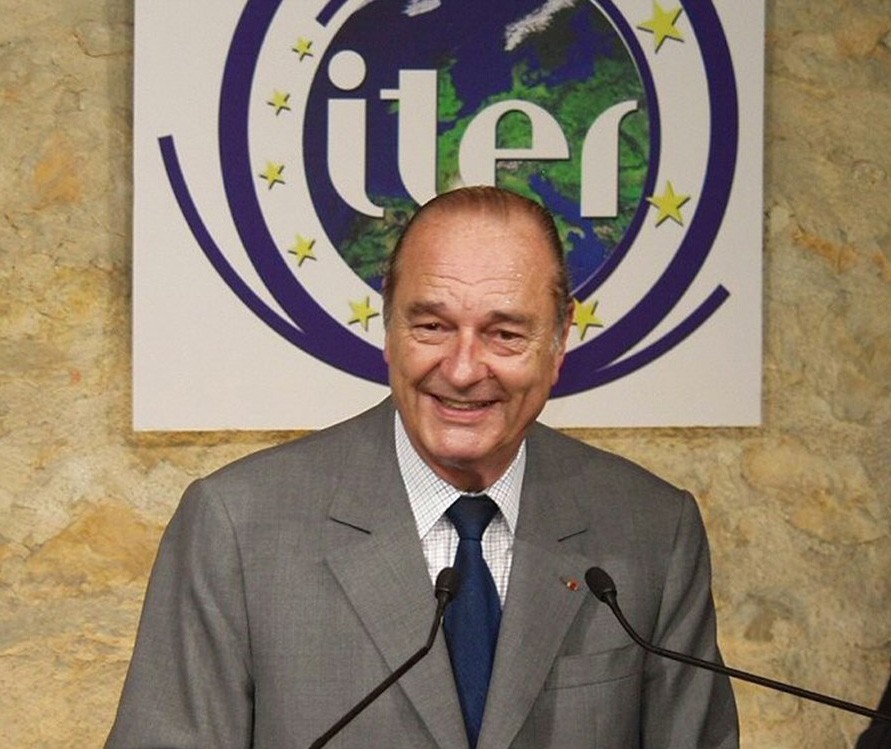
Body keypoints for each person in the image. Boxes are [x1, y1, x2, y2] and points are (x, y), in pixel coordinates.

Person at [106, 186, 738, 748]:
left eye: (505, 334)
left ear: (559, 339)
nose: (462, 370)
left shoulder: (654, 530)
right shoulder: (237, 526)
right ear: (389, 328)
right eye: (432, 326)